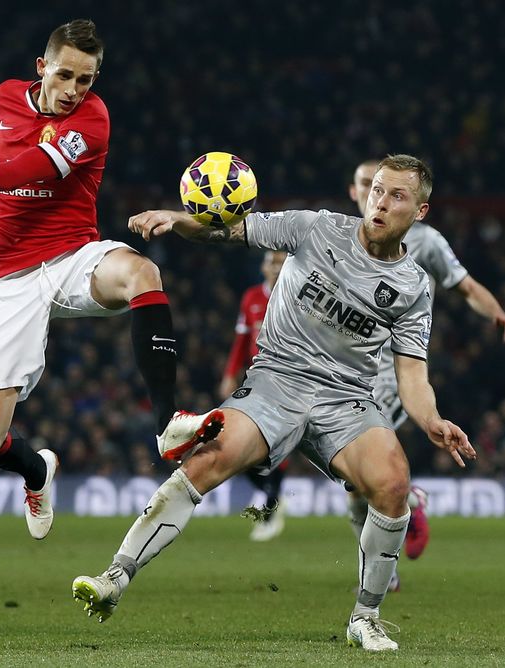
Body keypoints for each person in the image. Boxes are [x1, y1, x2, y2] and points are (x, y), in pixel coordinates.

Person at [73, 154, 477, 653]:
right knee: (210, 458)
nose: (381, 201)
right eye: (377, 190)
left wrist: (432, 419)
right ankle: (116, 576)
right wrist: (179, 219)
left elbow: (412, 375)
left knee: (394, 485)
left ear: (420, 212)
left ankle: (366, 618)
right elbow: (232, 230)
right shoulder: (317, 228)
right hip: (277, 380)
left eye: (397, 196)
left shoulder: (414, 286)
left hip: (346, 398)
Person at [0, 19, 223, 540]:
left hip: (71, 257)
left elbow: (23, 169)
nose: (73, 91)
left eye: (86, 80)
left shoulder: (94, 119)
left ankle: (166, 424)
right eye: (65, 76)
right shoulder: (5, 97)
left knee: (142, 271)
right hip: (5, 277)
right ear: (41, 68)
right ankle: (37, 472)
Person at [347, 159, 505, 590]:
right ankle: (406, 508)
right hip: (344, 370)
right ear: (356, 193)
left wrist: (498, 313)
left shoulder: (424, 242)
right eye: (370, 186)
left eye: (389, 188)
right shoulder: (338, 238)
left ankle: (380, 577)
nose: (379, 195)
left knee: (360, 471)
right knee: (353, 482)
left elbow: (464, 284)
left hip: (392, 370)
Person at [219, 250, 289, 541]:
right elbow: (241, 341)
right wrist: (229, 374)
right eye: (271, 261)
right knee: (234, 444)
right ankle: (271, 497)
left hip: (288, 382)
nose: (275, 267)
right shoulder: (251, 298)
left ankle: (271, 504)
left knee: (277, 442)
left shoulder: (299, 295)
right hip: (255, 381)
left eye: (280, 262)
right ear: (263, 267)